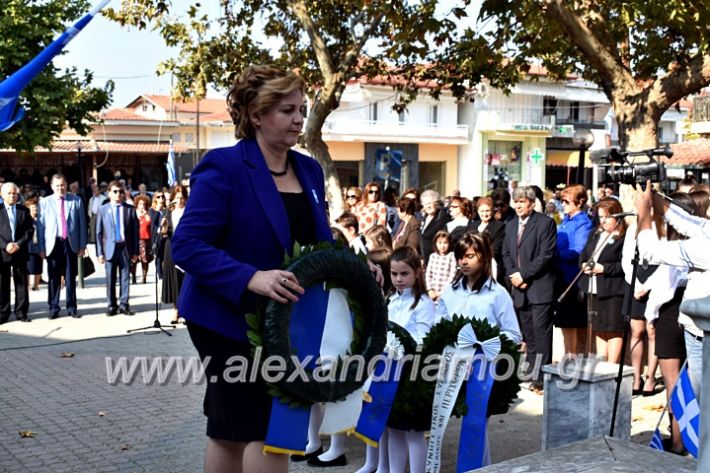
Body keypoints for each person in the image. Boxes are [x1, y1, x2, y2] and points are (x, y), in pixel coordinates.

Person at [170, 65, 335, 473]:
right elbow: (186, 244)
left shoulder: (309, 170)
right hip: (225, 320)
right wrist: (250, 277)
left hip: (288, 320)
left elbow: (317, 244)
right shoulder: (223, 166)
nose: (299, 119)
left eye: (301, 109)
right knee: (267, 431)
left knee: (229, 429)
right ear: (256, 115)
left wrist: (356, 267)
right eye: (286, 110)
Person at [435, 233, 522, 467]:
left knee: (476, 422)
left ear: (484, 258)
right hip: (454, 368)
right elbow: (438, 327)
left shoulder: (498, 294)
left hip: (484, 372)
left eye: (470, 256)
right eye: (460, 257)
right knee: (470, 424)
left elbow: (513, 334)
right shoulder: (451, 291)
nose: (464, 262)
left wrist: (485, 349)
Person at [502, 186, 557, 392]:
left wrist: (524, 275)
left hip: (539, 287)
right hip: (519, 288)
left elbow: (546, 255)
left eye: (522, 201)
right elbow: (506, 254)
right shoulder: (510, 225)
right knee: (528, 334)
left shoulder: (545, 223)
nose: (518, 205)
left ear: (532, 204)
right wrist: (514, 276)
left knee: (541, 332)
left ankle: (543, 377)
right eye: (515, 201)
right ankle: (533, 372)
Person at [386, 246, 436, 473]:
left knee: (414, 433)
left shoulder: (423, 303)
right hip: (390, 373)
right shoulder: (391, 300)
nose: (398, 279)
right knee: (394, 429)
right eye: (394, 273)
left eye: (404, 273)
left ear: (417, 272)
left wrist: (396, 344)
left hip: (413, 376)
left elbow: (422, 339)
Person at [578, 198, 627, 363]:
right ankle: (601, 362)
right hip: (594, 288)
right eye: (600, 217)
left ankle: (611, 366)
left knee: (613, 329)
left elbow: (624, 264)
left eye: (607, 217)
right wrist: (584, 264)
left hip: (613, 290)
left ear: (617, 216)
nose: (603, 221)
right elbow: (584, 254)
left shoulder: (624, 237)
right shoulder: (595, 233)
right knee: (598, 328)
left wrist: (604, 269)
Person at [37, 174, 87, 319]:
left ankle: (72, 307)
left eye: (62, 185)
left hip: (70, 243)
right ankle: (53, 307)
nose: (60, 188)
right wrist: (41, 247)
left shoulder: (76, 201)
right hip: (53, 244)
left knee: (71, 277)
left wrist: (83, 245)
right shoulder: (45, 202)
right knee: (53, 278)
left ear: (66, 185)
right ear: (52, 187)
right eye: (57, 185)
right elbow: (41, 227)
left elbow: (82, 224)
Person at [554, 184, 594, 354]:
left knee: (571, 320)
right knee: (563, 320)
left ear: (579, 202)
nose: (563, 204)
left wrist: (554, 254)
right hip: (560, 274)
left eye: (567, 201)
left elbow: (578, 250)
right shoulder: (566, 220)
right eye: (561, 201)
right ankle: (568, 352)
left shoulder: (583, 222)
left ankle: (573, 354)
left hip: (573, 278)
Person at [96, 181, 139, 316]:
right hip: (109, 248)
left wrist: (136, 252)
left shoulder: (130, 209)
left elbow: (135, 233)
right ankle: (111, 305)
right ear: (109, 193)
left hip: (125, 248)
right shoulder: (103, 210)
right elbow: (98, 232)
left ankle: (124, 304)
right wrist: (99, 253)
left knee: (125, 278)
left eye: (121, 191)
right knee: (110, 278)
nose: (118, 194)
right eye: (115, 191)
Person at [0, 183, 33, 323]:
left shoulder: (23, 211)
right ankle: (3, 313)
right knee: (3, 283)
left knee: (21, 283)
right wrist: (5, 245)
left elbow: (29, 231)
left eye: (14, 193)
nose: (12, 196)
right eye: (9, 193)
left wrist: (18, 244)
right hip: (3, 253)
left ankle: (21, 312)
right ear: (2, 195)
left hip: (20, 251)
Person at [160, 185, 188, 324]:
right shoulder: (168, 212)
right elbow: (164, 233)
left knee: (185, 280)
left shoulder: (189, 211)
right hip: (171, 247)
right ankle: (175, 310)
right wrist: (163, 227)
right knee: (174, 280)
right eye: (177, 198)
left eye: (182, 197)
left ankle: (185, 311)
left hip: (187, 247)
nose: (180, 200)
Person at [466, 196, 505, 283]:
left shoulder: (499, 226)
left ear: (492, 211)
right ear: (478, 211)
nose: (485, 214)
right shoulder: (472, 226)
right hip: (472, 266)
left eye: (487, 211)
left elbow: (496, 249)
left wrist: (477, 257)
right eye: (482, 211)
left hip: (489, 265)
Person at [419, 189, 450, 264]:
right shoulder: (424, 218)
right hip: (424, 260)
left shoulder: (443, 218)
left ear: (436, 204)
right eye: (426, 204)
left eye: (430, 203)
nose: (428, 206)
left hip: (437, 260)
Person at [425, 230, 457, 302]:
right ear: (436, 243)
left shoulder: (451, 256)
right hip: (433, 292)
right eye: (440, 243)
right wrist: (430, 289)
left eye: (445, 243)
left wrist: (440, 293)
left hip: (445, 292)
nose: (442, 246)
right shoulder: (433, 256)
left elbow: (452, 276)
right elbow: (428, 274)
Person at [132, 195, 154, 284]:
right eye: (140, 203)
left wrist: (146, 214)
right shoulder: (134, 213)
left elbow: (150, 222)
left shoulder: (148, 213)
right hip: (136, 239)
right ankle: (133, 277)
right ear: (137, 204)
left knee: (145, 260)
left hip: (146, 240)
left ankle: (144, 277)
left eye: (144, 204)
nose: (142, 205)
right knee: (134, 260)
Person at [24, 198, 42, 292]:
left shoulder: (41, 219)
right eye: (33, 208)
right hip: (29, 246)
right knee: (27, 267)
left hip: (39, 245)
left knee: (38, 266)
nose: (35, 210)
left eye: (36, 208)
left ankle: (36, 285)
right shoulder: (26, 219)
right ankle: (26, 285)